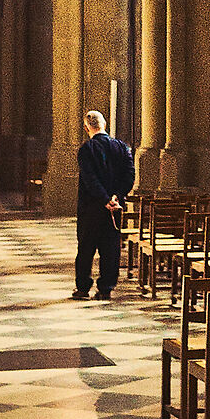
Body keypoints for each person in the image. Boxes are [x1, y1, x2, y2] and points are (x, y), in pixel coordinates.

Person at [71, 109, 133, 301]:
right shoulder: (122, 148)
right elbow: (129, 176)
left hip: (91, 207)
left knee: (86, 248)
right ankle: (106, 288)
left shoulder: (86, 149)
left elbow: (90, 179)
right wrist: (116, 196)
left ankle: (83, 288)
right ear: (105, 125)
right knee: (110, 248)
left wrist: (105, 198)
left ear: (86, 127)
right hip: (114, 208)